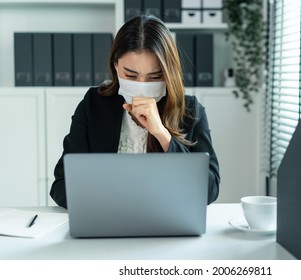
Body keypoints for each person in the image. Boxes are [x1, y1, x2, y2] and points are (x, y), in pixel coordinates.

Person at [50, 15, 220, 208]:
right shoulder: (94, 104)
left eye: (155, 77)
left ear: (169, 72)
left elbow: (210, 191)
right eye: (131, 75)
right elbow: (61, 185)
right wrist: (108, 201)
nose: (141, 86)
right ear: (115, 65)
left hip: (167, 225)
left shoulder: (190, 111)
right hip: (106, 219)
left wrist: (163, 135)